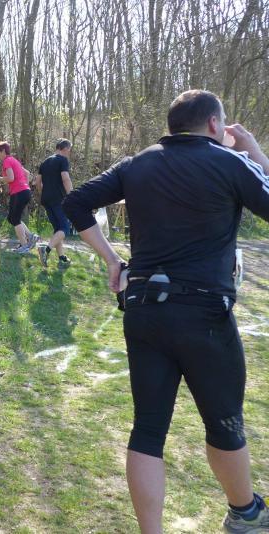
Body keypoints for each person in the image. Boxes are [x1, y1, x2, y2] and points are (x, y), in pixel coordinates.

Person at [63, 90, 269, 534]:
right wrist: (256, 153)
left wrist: (112, 259)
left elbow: (74, 202)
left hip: (144, 309)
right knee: (224, 422)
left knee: (148, 428)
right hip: (204, 315)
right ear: (214, 124)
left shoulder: (136, 164)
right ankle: (246, 514)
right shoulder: (231, 162)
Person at [0, 141, 38, 253]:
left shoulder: (7, 161)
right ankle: (31, 237)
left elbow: (11, 178)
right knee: (12, 218)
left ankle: (25, 246)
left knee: (15, 219)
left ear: (3, 151)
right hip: (23, 192)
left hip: (19, 192)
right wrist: (26, 186)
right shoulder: (13, 160)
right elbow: (27, 173)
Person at [33, 139, 73, 268]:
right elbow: (65, 178)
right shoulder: (63, 160)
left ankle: (61, 257)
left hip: (46, 199)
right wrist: (72, 195)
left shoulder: (45, 162)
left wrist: (43, 193)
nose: (69, 153)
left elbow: (37, 182)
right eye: (69, 150)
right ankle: (46, 250)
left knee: (58, 228)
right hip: (58, 199)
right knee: (65, 228)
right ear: (65, 149)